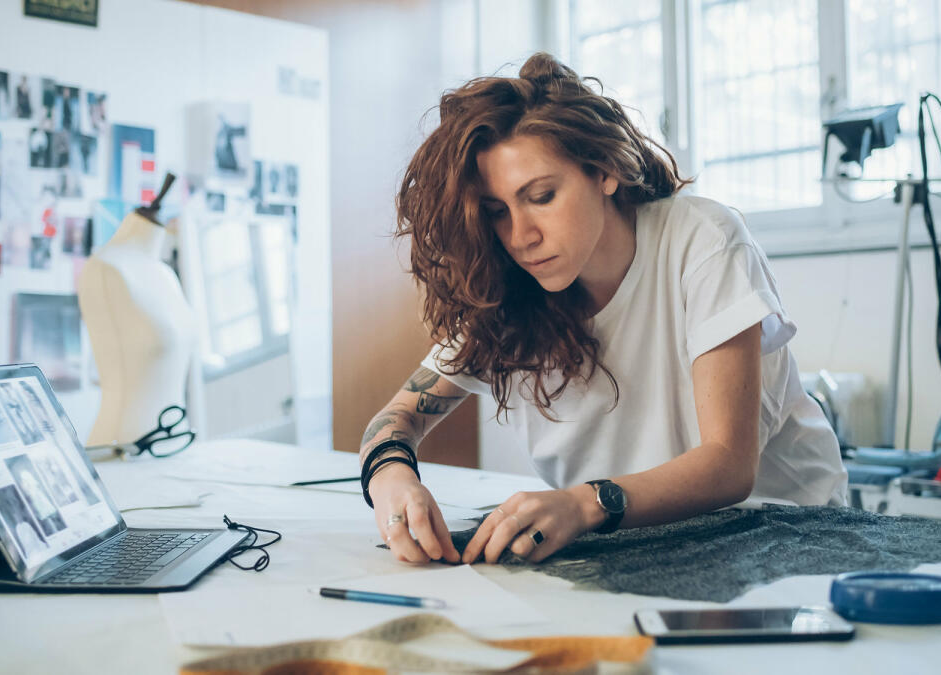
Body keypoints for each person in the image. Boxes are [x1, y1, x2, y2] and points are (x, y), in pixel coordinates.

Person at [358, 52, 847, 567]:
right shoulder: (507, 292)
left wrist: (582, 503)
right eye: (498, 212)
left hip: (785, 531)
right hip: (639, 546)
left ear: (605, 170)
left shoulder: (701, 239)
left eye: (542, 196)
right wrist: (393, 479)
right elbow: (395, 419)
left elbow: (728, 464)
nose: (521, 237)